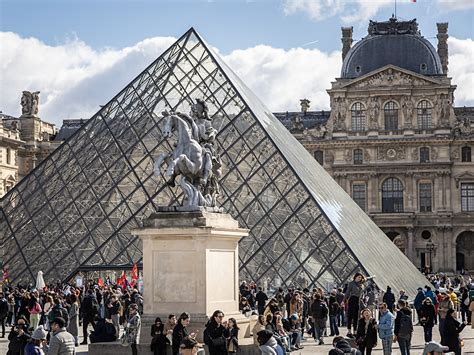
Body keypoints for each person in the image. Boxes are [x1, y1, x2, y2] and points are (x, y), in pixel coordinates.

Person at [345, 273, 366, 337]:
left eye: (360, 277)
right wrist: (344, 300)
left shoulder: (361, 285)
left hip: (358, 300)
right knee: (350, 316)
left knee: (356, 316)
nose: (359, 278)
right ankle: (349, 331)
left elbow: (362, 295)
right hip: (352, 299)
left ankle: (355, 331)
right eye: (358, 277)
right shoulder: (351, 283)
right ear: (355, 277)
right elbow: (347, 292)